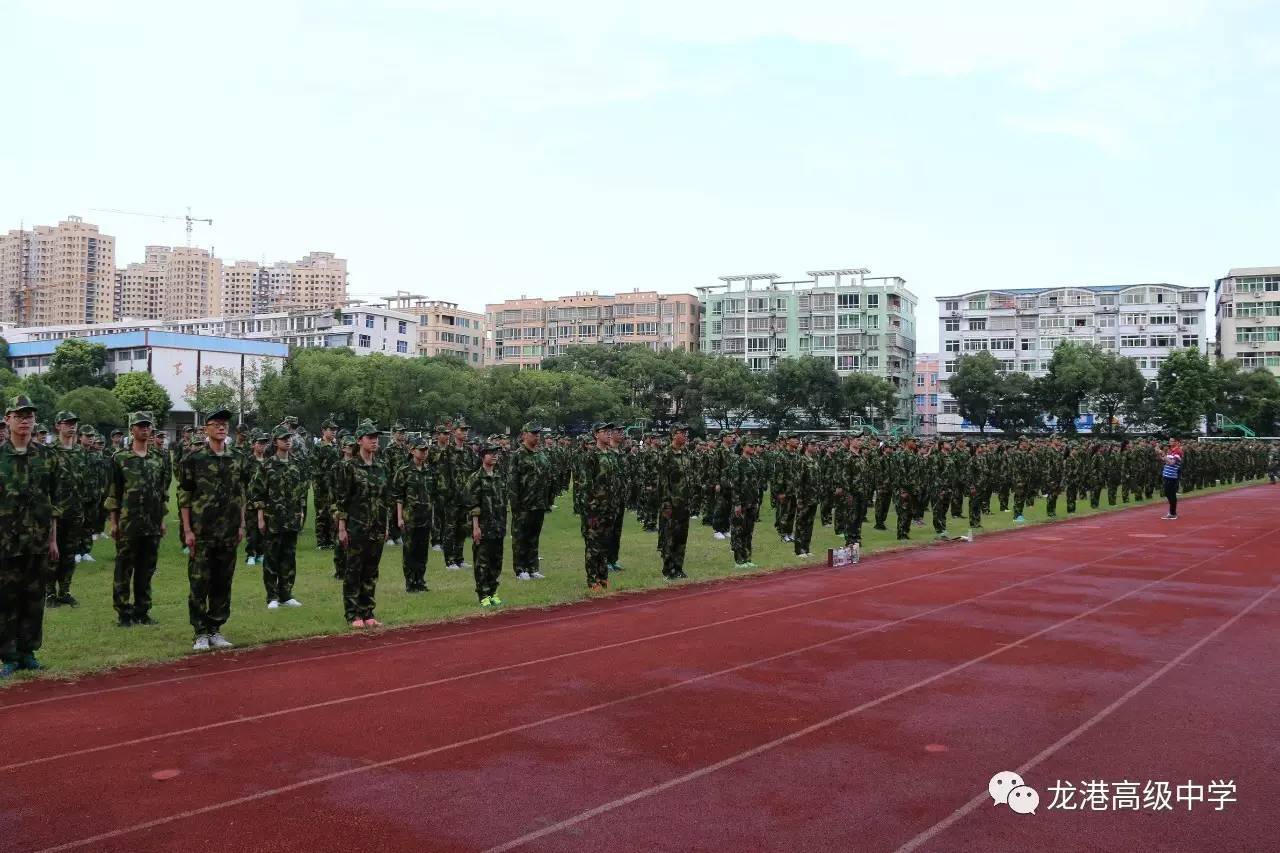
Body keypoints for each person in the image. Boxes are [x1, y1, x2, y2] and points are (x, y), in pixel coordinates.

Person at [0, 395, 61, 678]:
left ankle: (28, 652)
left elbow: (53, 501)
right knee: (7, 600)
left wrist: (52, 539)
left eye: (29, 416)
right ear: (8, 419)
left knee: (35, 598)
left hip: (37, 541)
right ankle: (8, 655)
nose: (25, 420)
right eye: (19, 415)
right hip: (6, 543)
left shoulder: (46, 456)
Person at [178, 408, 246, 652]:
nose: (221, 427)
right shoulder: (193, 459)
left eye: (225, 424)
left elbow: (241, 493)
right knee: (199, 583)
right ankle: (200, 632)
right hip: (202, 532)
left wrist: (241, 524)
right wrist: (187, 530)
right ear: (205, 428)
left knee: (222, 582)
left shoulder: (236, 457)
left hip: (228, 531)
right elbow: (183, 496)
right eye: (216, 424)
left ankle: (216, 628)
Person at [106, 411, 169, 627]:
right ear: (131, 429)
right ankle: (123, 612)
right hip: (128, 523)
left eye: (148, 426)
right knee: (124, 569)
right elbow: (114, 493)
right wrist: (114, 522)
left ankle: (142, 610)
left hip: (151, 523)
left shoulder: (159, 458)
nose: (145, 429)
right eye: (140, 425)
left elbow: (162, 493)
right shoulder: (120, 458)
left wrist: (161, 520)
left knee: (146, 569)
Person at [335, 420, 390, 628]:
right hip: (356, 527)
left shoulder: (381, 467)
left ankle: (368, 612)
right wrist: (342, 528)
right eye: (370, 437)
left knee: (371, 571)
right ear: (359, 441)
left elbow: (385, 500)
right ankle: (352, 614)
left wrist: (385, 527)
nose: (374, 441)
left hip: (376, 527)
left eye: (376, 438)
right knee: (353, 571)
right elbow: (342, 500)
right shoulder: (349, 467)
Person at [249, 426, 308, 610]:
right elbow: (257, 493)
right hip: (273, 518)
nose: (288, 440)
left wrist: (301, 511)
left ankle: (286, 594)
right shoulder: (267, 465)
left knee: (289, 557)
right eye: (284, 438)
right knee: (272, 558)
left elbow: (302, 489)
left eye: (289, 437)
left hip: (292, 517)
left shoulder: (297, 462)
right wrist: (260, 517)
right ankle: (272, 596)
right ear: (276, 442)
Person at [47, 411, 88, 608]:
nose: (72, 426)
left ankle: (65, 591)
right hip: (55, 511)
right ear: (58, 426)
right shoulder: (49, 451)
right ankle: (49, 593)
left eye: (74, 423)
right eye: (67, 423)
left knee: (69, 554)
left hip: (75, 511)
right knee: (52, 554)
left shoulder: (80, 452)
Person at [466, 443, 508, 607]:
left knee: (496, 561)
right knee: (482, 562)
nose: (494, 456)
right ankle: (483, 594)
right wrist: (475, 527)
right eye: (490, 453)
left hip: (498, 526)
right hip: (483, 527)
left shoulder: (499, 477)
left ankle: (493, 591)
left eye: (496, 453)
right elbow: (473, 505)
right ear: (483, 456)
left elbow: (503, 502)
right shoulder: (476, 478)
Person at [508, 422, 550, 581]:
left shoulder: (540, 454)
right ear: (524, 434)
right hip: (523, 505)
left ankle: (533, 568)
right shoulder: (518, 455)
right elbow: (512, 482)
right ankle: (520, 569)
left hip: (538, 503)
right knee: (521, 538)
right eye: (533, 433)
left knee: (534, 537)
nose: (536, 436)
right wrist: (515, 506)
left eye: (538, 433)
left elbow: (546, 478)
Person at [394, 435, 435, 592]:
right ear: (412, 450)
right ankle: (411, 583)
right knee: (410, 551)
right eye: (421, 450)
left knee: (422, 551)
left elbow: (433, 496)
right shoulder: (403, 471)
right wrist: (399, 518)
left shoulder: (429, 471)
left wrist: (432, 517)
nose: (424, 453)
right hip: (410, 518)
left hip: (425, 517)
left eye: (426, 450)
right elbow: (398, 497)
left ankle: (420, 581)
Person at [656, 423, 696, 580]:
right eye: (682, 432)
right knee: (670, 537)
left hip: (684, 503)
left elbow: (689, 478)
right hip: (671, 504)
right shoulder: (666, 454)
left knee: (681, 538)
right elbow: (663, 481)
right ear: (673, 434)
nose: (685, 435)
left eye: (685, 432)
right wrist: (666, 503)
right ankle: (668, 569)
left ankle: (679, 568)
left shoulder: (686, 453)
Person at [1160, 438, 1183, 520]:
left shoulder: (1178, 451)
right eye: (1170, 441)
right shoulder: (1171, 451)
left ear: (1177, 442)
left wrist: (1163, 455)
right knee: (1167, 493)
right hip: (1167, 475)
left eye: (1172, 441)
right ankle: (1172, 512)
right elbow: (1166, 461)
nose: (1170, 442)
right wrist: (1160, 456)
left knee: (1171, 494)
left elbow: (1172, 463)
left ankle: (1172, 513)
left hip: (1172, 476)